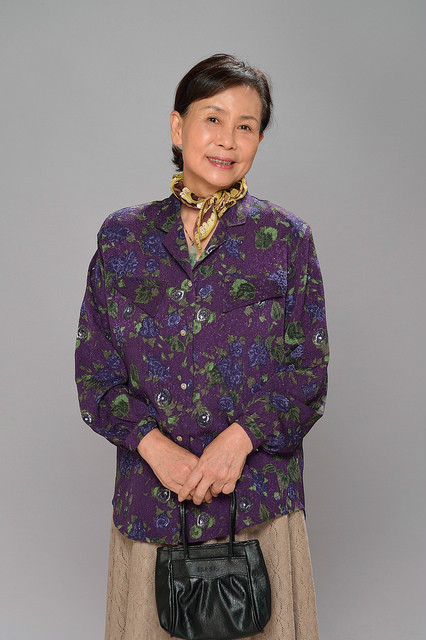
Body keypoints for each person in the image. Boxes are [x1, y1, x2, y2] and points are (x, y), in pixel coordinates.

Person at [75, 53, 329, 640]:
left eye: (246, 126)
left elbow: (308, 375)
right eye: (213, 118)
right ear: (177, 126)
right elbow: (96, 376)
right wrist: (156, 448)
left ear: (259, 139)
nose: (227, 140)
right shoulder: (123, 238)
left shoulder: (285, 239)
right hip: (152, 507)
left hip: (258, 507)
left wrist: (237, 443)